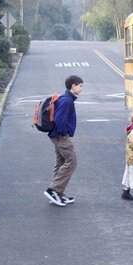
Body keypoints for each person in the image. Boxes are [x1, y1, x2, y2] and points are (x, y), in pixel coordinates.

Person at [43, 75, 83, 207]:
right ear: (73, 85)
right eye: (80, 86)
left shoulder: (66, 99)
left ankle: (57, 194)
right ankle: (53, 190)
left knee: (61, 162)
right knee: (72, 161)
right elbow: (59, 120)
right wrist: (63, 133)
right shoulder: (66, 101)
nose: (81, 89)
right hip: (61, 136)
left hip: (56, 135)